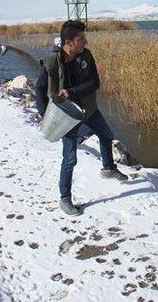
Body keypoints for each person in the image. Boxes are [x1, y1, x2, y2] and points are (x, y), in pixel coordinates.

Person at [37, 20, 127, 216]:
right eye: (81, 38)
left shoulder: (86, 56)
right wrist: (44, 115)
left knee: (106, 135)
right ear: (68, 42)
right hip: (66, 116)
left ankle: (108, 168)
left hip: (88, 109)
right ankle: (65, 199)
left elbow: (95, 82)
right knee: (69, 159)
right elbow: (40, 89)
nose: (85, 42)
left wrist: (72, 92)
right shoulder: (51, 61)